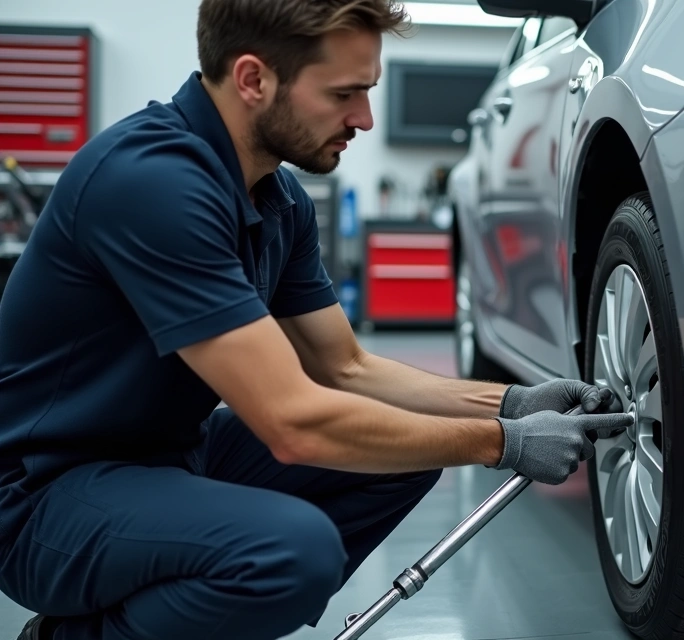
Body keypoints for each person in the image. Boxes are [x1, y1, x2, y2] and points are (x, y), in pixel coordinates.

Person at [0, 1, 632, 638]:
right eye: (344, 94)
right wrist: (503, 443)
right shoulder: (152, 182)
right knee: (290, 554)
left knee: (404, 454)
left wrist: (511, 404)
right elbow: (292, 423)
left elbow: (345, 367)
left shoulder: (278, 198)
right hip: (42, 498)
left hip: (169, 456)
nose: (364, 118)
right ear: (253, 80)